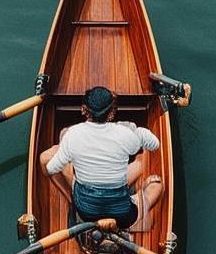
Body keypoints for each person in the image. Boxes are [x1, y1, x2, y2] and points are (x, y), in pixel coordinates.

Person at [40, 86, 164, 229]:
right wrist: (140, 133)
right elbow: (154, 145)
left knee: (50, 156)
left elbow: (50, 169)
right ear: (111, 113)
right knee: (154, 182)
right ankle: (129, 208)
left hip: (86, 212)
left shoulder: (72, 135)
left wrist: (73, 156)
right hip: (123, 215)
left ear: (83, 110)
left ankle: (71, 199)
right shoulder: (126, 134)